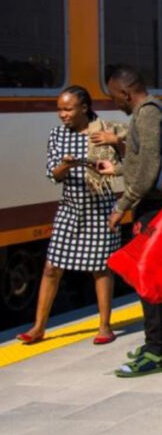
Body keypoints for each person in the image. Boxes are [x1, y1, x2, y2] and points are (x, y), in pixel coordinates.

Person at [17, 86, 122, 346]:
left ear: (84, 108)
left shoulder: (104, 131)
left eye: (67, 109)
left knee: (100, 268)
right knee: (52, 266)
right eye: (59, 109)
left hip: (99, 206)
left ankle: (105, 327)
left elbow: (130, 160)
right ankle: (38, 327)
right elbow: (53, 174)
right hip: (70, 207)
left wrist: (116, 143)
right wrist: (66, 164)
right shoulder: (57, 135)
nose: (62, 114)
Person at [98, 66, 162, 375]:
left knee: (147, 277)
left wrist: (123, 204)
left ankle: (154, 349)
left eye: (113, 96)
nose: (113, 103)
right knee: (157, 275)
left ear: (125, 92)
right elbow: (141, 161)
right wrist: (118, 170)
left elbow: (148, 168)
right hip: (154, 205)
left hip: (151, 208)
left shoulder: (146, 114)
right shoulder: (155, 109)